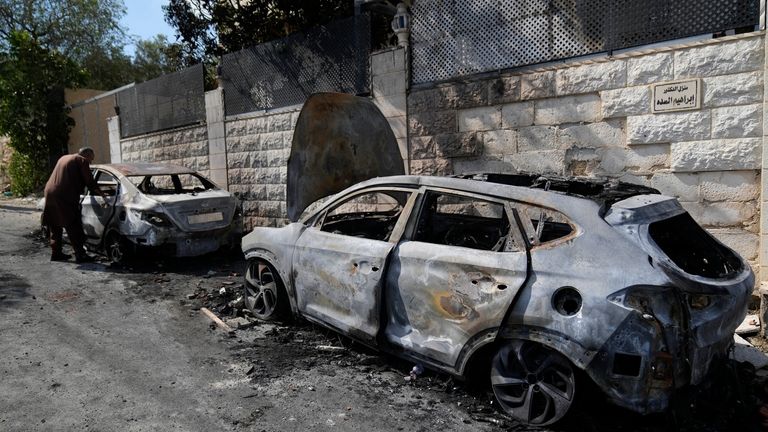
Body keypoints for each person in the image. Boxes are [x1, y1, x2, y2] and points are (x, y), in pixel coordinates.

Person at [42, 147, 107, 263]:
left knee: (55, 224)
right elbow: (90, 181)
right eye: (91, 159)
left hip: (49, 191)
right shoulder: (82, 160)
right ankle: (80, 254)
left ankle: (56, 253)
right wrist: (102, 194)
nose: (90, 162)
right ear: (87, 155)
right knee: (73, 223)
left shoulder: (64, 157)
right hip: (64, 195)